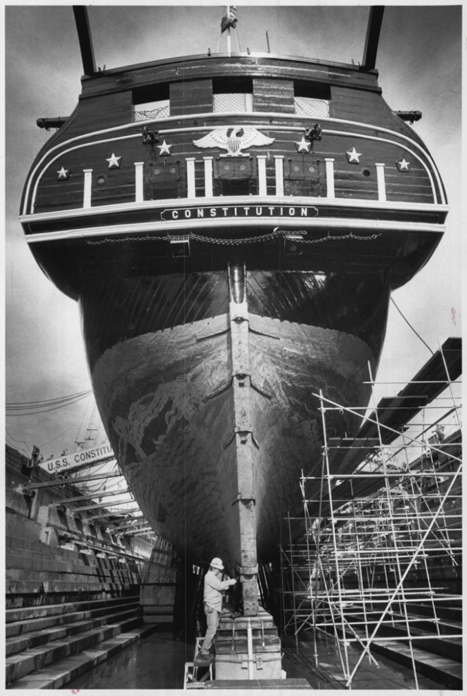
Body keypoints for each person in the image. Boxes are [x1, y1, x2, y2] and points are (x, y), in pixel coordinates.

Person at [197, 557, 236, 660]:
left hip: (214, 607)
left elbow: (219, 587)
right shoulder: (209, 577)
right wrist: (230, 582)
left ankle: (211, 648)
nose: (219, 570)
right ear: (214, 568)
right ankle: (204, 650)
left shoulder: (212, 576)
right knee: (212, 629)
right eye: (218, 569)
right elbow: (219, 586)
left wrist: (227, 584)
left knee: (214, 628)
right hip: (211, 607)